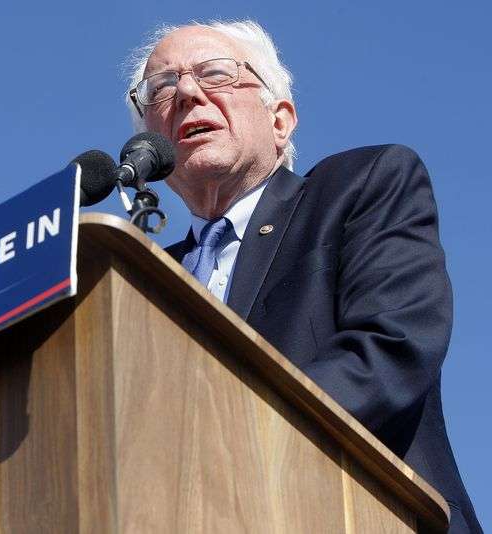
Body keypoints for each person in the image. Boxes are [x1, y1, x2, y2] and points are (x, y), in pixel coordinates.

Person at [124, 20, 481, 533]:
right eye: (160, 87)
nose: (184, 93)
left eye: (216, 74)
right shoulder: (143, 279)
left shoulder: (361, 187)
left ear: (281, 121)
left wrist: (213, 440)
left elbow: (391, 348)